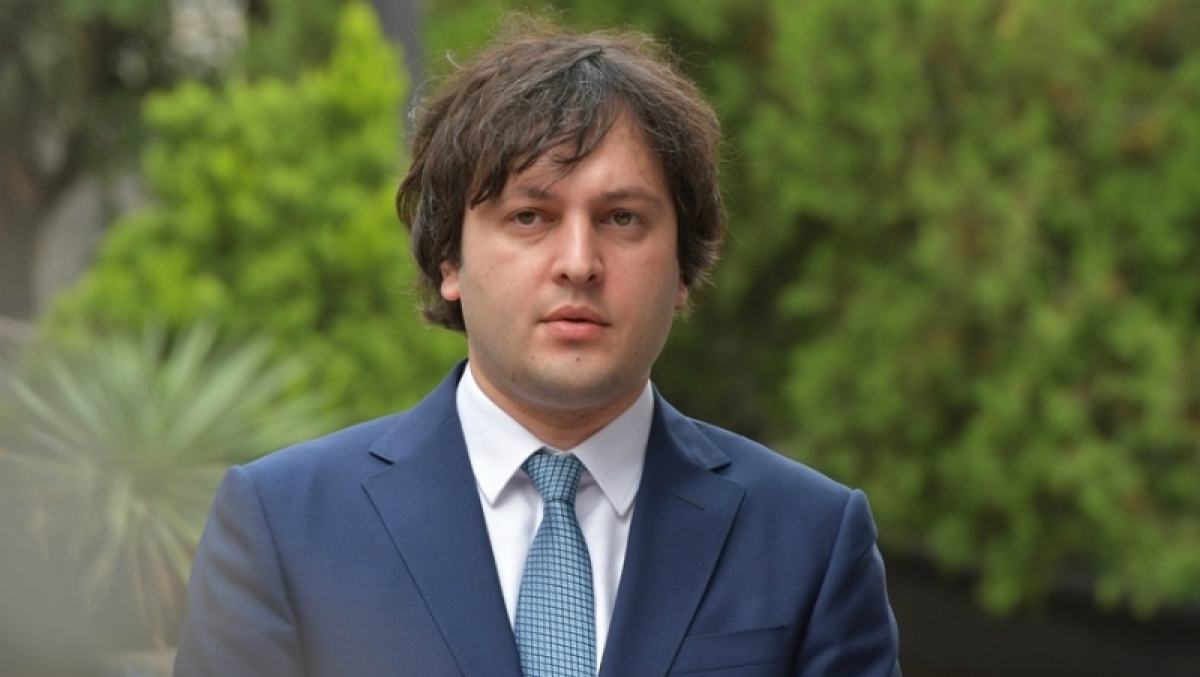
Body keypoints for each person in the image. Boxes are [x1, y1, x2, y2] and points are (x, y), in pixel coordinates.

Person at [173, 18, 901, 677]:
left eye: (622, 218)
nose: (578, 262)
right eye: (530, 216)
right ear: (449, 258)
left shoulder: (809, 539)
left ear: (683, 268)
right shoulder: (285, 528)